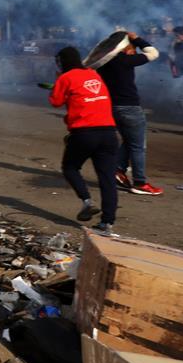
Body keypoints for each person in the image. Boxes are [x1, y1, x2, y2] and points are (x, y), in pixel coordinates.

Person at [48, 47, 118, 233]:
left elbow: (55, 101)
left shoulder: (65, 77)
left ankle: (87, 201)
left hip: (85, 133)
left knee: (70, 167)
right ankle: (107, 223)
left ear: (62, 62)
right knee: (107, 179)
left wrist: (57, 82)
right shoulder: (93, 75)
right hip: (109, 132)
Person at [96, 31, 163, 196]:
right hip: (130, 108)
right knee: (138, 146)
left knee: (130, 140)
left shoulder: (103, 63)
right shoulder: (124, 60)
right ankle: (140, 182)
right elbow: (153, 53)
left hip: (112, 107)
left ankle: (118, 170)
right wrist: (137, 39)